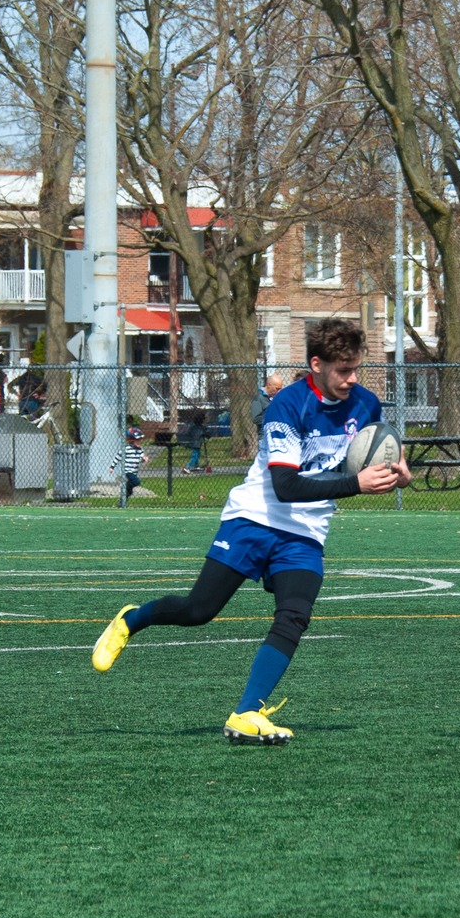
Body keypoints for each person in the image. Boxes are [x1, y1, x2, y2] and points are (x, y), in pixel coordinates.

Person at [90, 318, 410, 743]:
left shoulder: (367, 405)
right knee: (198, 611)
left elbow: (373, 456)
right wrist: (357, 484)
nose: (352, 379)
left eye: (357, 369)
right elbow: (286, 485)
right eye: (342, 370)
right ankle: (133, 619)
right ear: (316, 364)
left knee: (294, 615)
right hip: (255, 518)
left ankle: (246, 712)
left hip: (305, 532)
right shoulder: (287, 407)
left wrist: (396, 473)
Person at [116, 426, 147, 502]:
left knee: (131, 488)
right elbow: (118, 456)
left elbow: (141, 457)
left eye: (140, 439)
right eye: (137, 440)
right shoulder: (126, 449)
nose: (140, 441)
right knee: (136, 482)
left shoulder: (140, 449)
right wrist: (112, 467)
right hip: (128, 470)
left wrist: (144, 459)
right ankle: (127, 489)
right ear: (131, 441)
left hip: (134, 470)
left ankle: (123, 500)